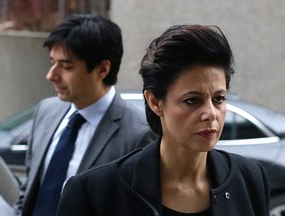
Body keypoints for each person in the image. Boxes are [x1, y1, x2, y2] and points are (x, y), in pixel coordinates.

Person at [56, 24, 270, 216]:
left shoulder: (250, 178)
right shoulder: (95, 192)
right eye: (193, 100)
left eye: (219, 99)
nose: (211, 113)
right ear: (155, 102)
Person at [14, 14, 156, 216]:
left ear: (102, 69)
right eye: (52, 62)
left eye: (66, 66)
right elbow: (27, 194)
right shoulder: (45, 111)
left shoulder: (139, 135)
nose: (51, 75)